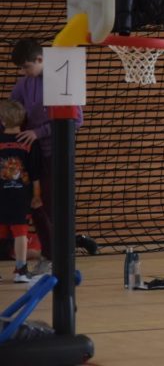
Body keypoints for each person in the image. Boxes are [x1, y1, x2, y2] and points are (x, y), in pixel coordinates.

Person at [9, 39, 94, 277]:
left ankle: (62, 256)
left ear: (40, 59)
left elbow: (76, 120)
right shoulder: (24, 84)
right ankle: (49, 255)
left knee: (53, 206)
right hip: (32, 156)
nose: (23, 72)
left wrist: (38, 132)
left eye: (26, 66)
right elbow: (12, 112)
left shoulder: (60, 81)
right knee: (35, 205)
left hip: (56, 154)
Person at [0, 99, 41, 283]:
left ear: (2, 120)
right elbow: (35, 173)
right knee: (20, 233)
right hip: (20, 196)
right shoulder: (29, 142)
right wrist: (37, 195)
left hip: (2, 196)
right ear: (23, 119)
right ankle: (21, 270)